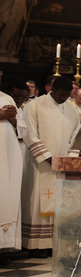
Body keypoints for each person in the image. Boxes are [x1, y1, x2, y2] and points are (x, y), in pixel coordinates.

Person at [21, 77, 81, 256]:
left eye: (67, 95)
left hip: (62, 165)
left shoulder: (71, 108)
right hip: (40, 164)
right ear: (52, 89)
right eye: (61, 95)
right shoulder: (35, 105)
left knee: (59, 202)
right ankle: (36, 245)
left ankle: (55, 243)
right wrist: (47, 158)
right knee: (39, 201)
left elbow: (77, 135)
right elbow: (29, 134)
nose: (64, 98)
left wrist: (70, 158)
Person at [0, 85, 22, 251]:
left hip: (7, 155)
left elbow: (21, 127)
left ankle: (4, 245)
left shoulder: (7, 98)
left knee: (7, 195)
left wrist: (13, 118)